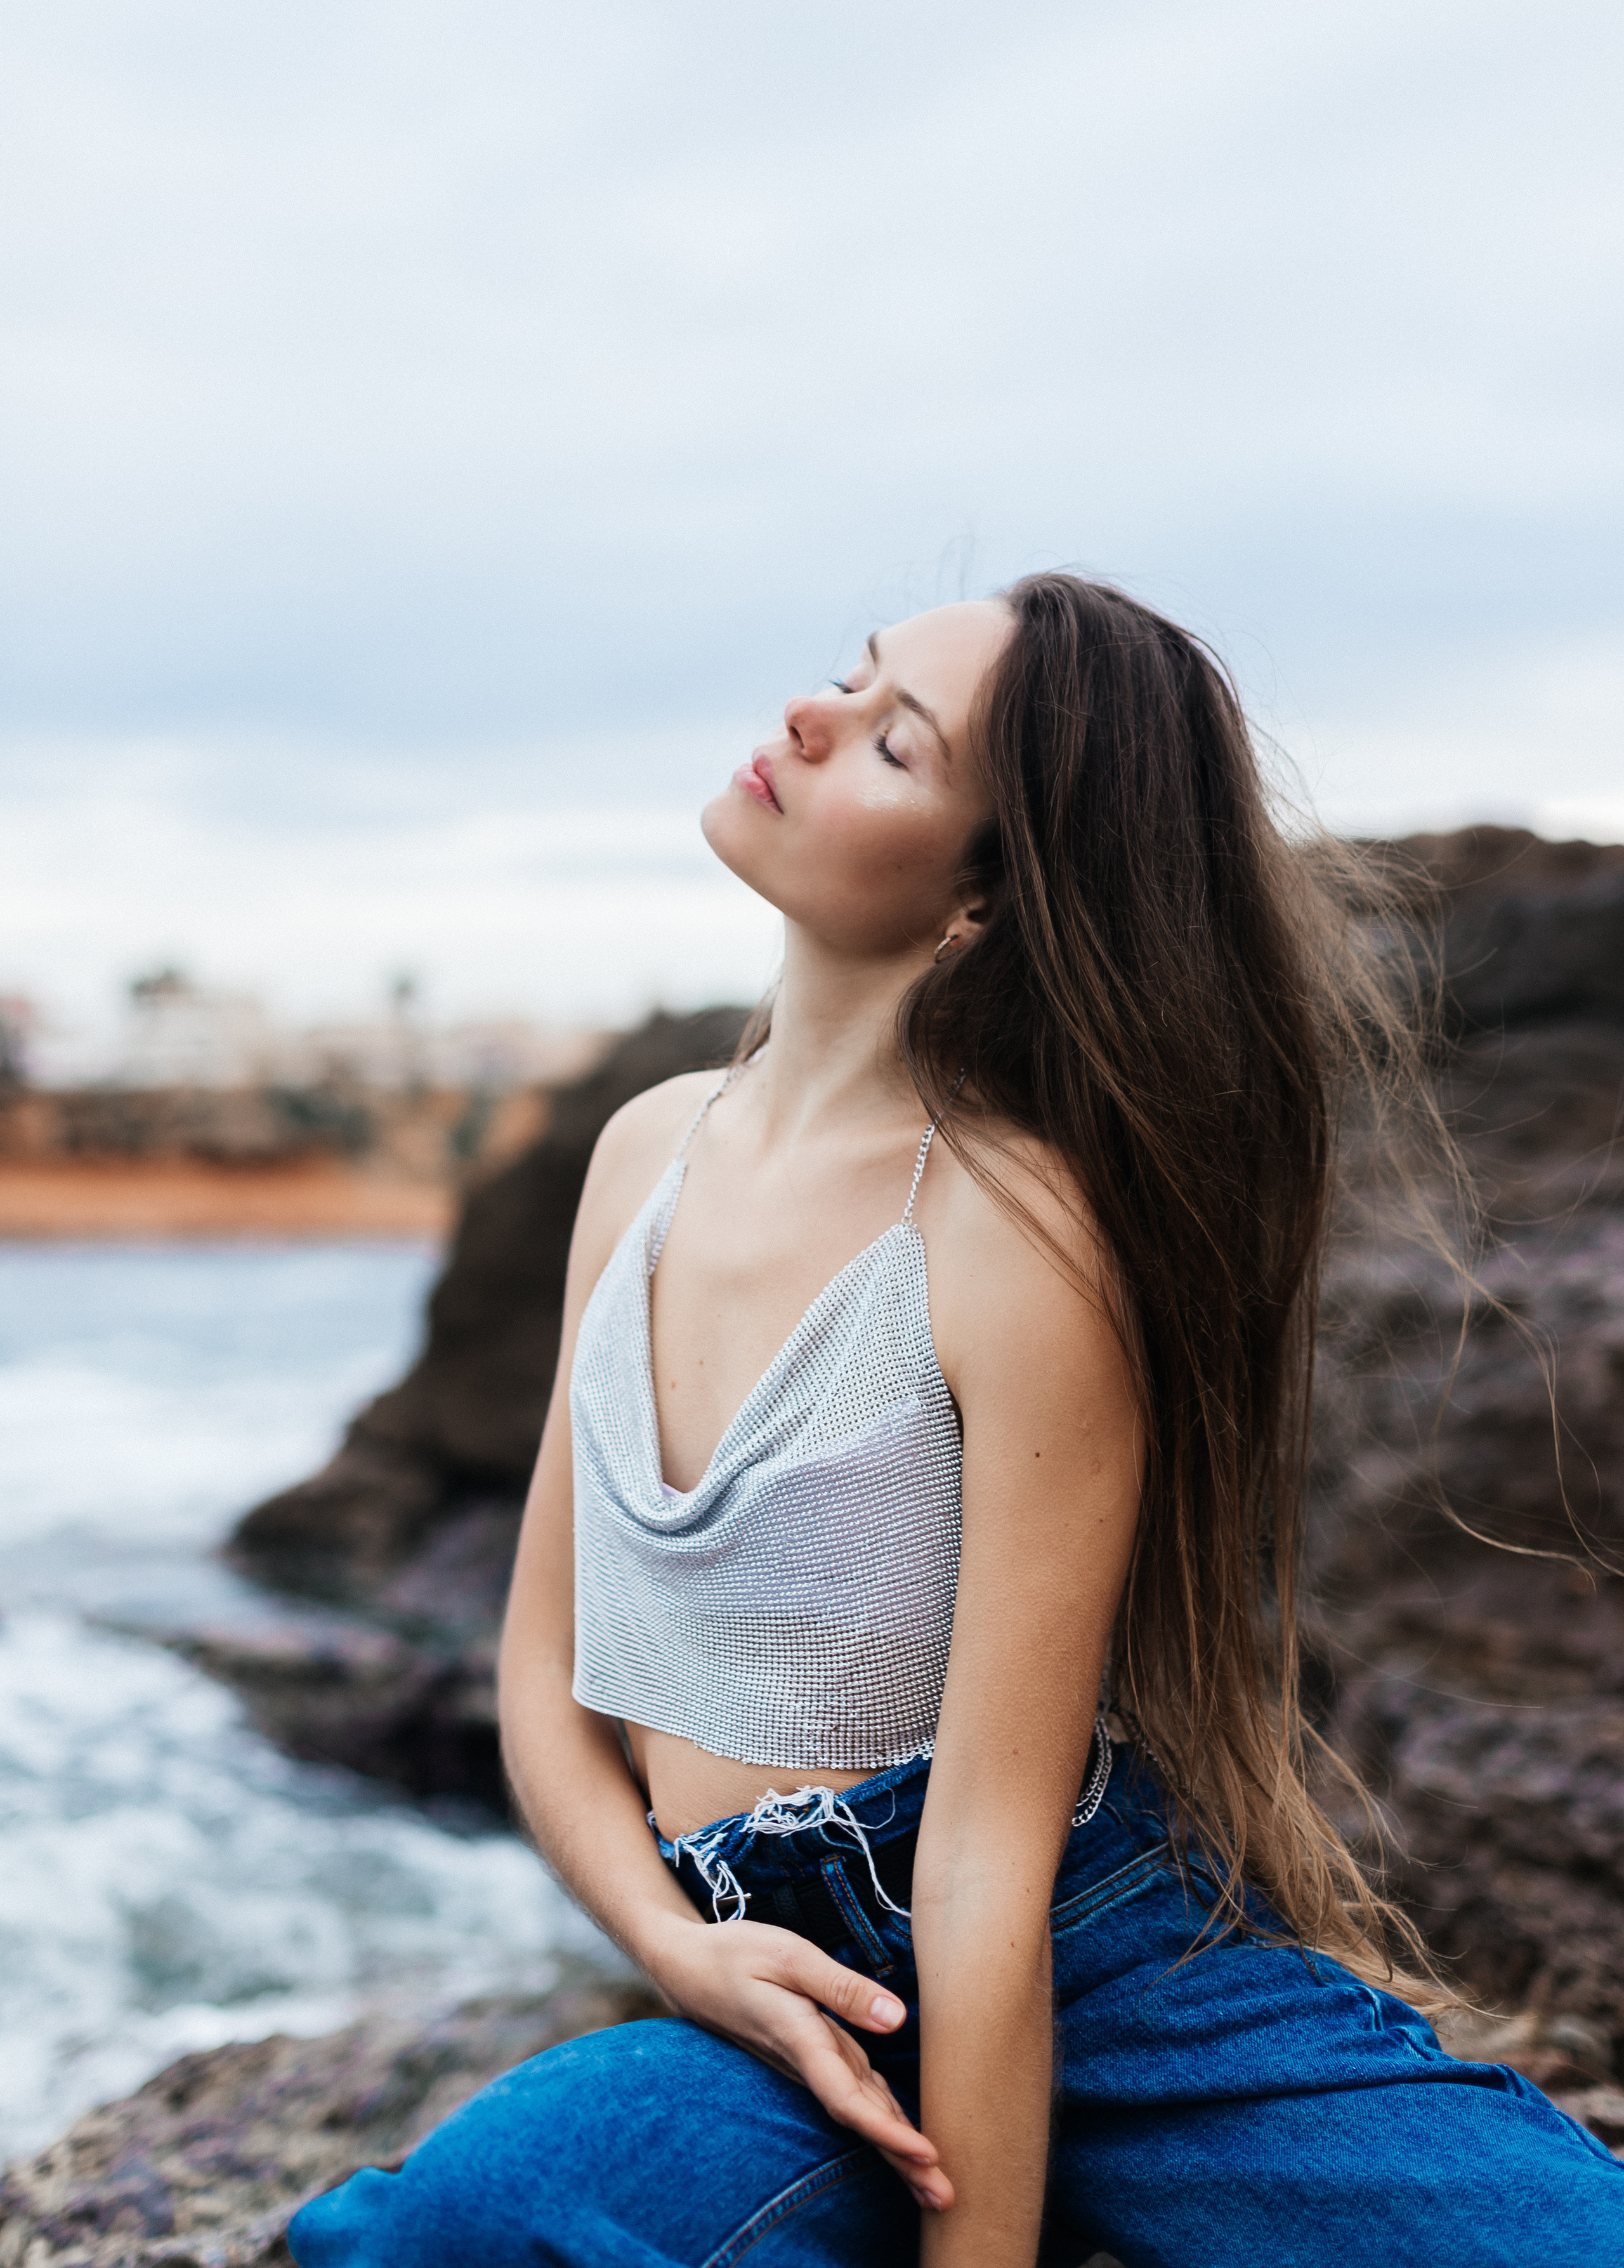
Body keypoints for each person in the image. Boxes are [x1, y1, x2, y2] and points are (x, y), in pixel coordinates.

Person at [290, 576, 1623, 2267]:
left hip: (1091, 1972)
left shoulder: (1012, 1237)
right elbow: (545, 1671)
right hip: (786, 1998)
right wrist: (678, 1948)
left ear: (987, 902)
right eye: (852, 679)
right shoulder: (643, 1155)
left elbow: (987, 1870)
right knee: (455, 2230)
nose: (808, 717)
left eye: (892, 740)